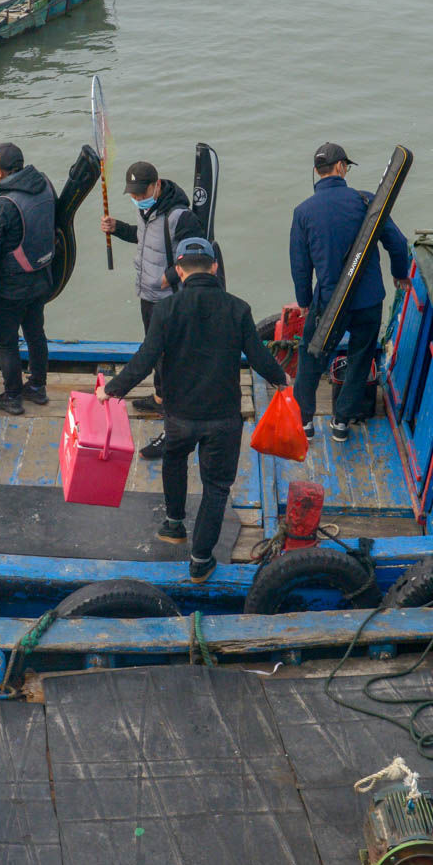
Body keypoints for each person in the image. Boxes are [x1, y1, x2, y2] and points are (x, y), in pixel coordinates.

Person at [99, 238, 288, 581]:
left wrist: (112, 390)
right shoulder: (238, 309)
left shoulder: (165, 310)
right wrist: (281, 380)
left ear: (180, 272)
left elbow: (145, 359)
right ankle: (200, 561)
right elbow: (260, 357)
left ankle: (173, 524)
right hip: (223, 418)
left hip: (180, 415)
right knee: (216, 486)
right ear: (214, 267)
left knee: (174, 458)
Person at [289, 142, 411, 442]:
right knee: (360, 356)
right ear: (342, 168)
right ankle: (341, 422)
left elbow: (300, 264)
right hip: (368, 301)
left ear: (317, 172)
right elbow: (397, 242)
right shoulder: (365, 200)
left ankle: (304, 422)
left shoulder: (303, 212)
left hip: (329, 302)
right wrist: (399, 274)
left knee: (310, 354)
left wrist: (305, 301)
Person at [99, 159, 200, 460]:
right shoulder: (147, 211)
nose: (138, 199)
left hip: (169, 299)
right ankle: (159, 397)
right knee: (154, 350)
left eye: (142, 194)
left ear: (157, 185)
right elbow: (145, 240)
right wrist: (118, 228)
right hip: (147, 295)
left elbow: (195, 255)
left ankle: (172, 430)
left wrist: (169, 277)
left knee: (167, 358)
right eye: (134, 195)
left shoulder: (181, 217)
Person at [0, 141, 57, 416]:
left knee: (6, 342)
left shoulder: (1, 205)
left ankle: (12, 396)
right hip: (42, 278)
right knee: (36, 334)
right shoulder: (44, 184)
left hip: (10, 287)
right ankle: (37, 387)